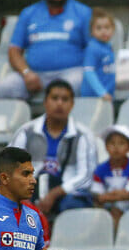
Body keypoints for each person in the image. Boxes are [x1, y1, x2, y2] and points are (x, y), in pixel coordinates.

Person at [0, 0, 92, 100]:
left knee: (75, 84)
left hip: (71, 73)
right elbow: (14, 51)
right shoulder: (28, 13)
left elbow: (93, 49)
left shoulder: (83, 12)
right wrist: (26, 73)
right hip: (35, 74)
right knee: (4, 88)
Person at [10, 79, 98, 219]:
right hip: (30, 190)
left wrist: (55, 193)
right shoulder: (26, 132)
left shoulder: (83, 135)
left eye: (65, 99)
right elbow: (10, 166)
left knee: (71, 206)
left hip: (68, 195)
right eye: (55, 98)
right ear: (45, 102)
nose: (59, 104)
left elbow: (86, 177)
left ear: (72, 104)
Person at [91, 125, 129, 230]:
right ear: (106, 146)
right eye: (112, 143)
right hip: (106, 206)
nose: (116, 147)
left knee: (116, 212)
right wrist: (118, 194)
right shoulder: (100, 169)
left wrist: (109, 196)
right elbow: (98, 196)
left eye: (121, 143)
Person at [81, 9, 116, 100]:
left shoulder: (108, 47)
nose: (103, 31)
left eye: (107, 27)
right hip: (93, 97)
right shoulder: (92, 48)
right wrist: (102, 92)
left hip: (107, 95)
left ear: (113, 29)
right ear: (92, 31)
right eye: (99, 28)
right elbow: (89, 72)